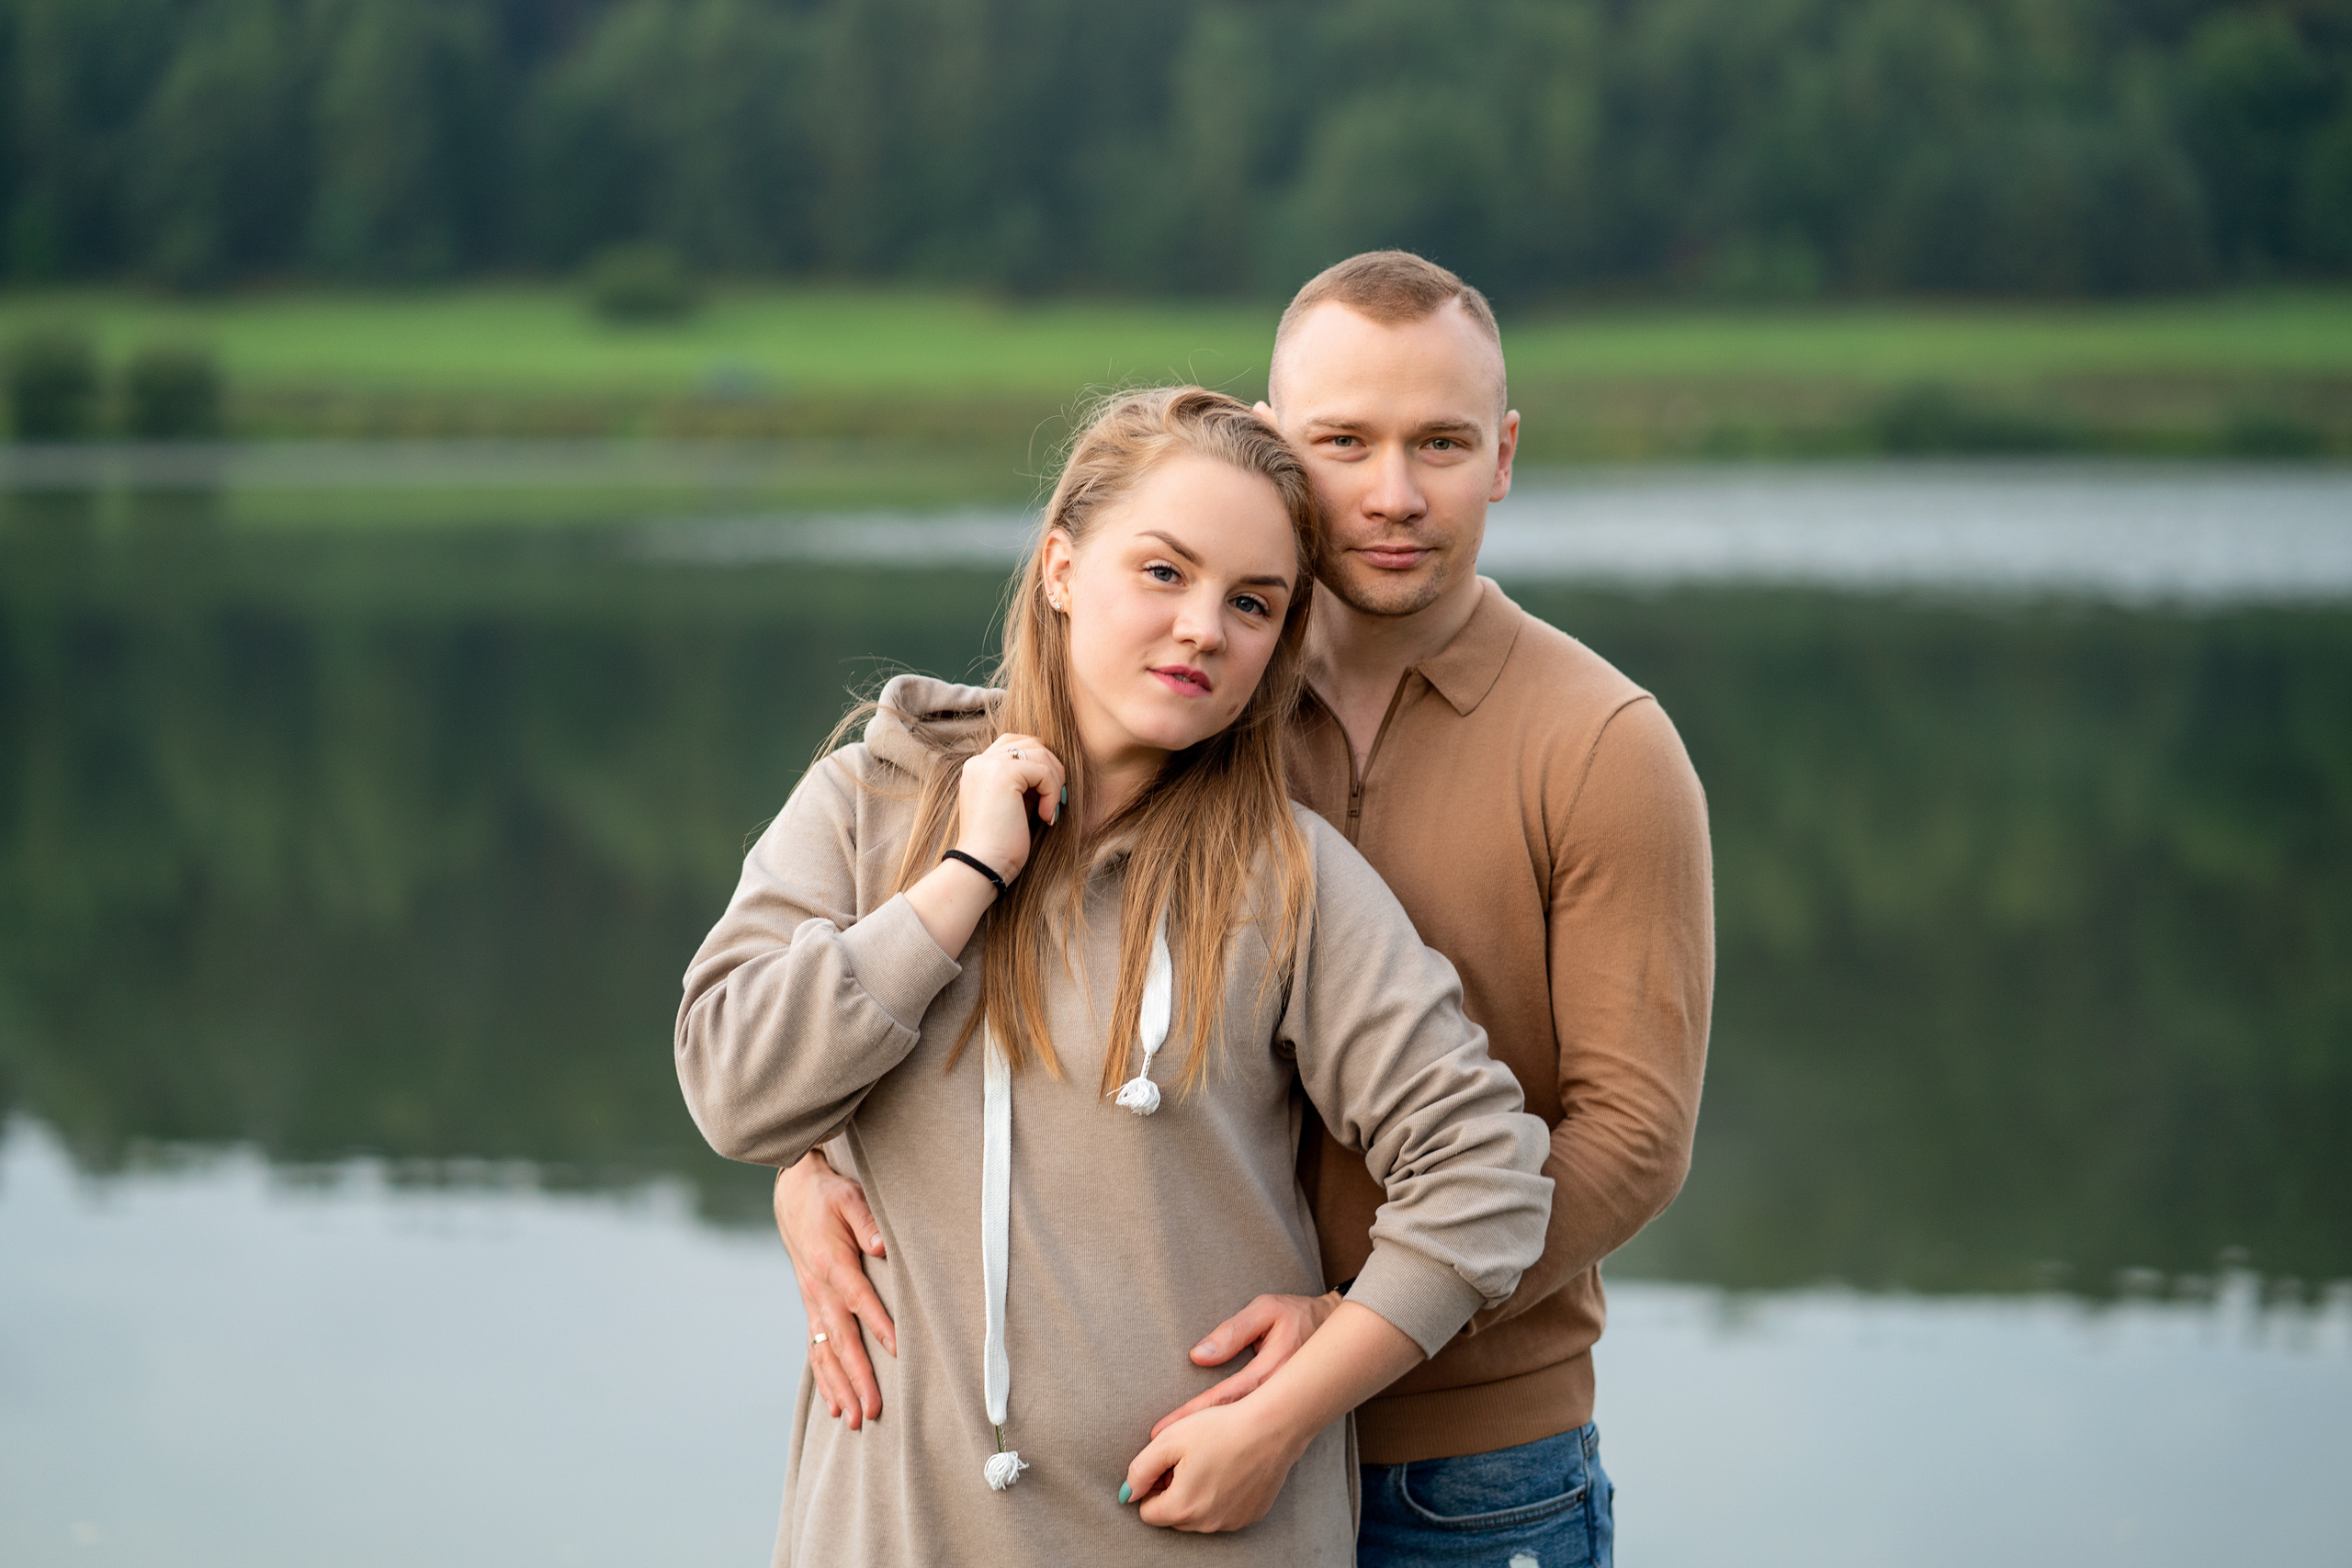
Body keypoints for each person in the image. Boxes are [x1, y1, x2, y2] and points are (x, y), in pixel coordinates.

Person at [777, 254, 1715, 1568]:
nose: (1395, 492)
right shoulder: (1191, 690)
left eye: (1442, 443)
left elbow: (1633, 1138)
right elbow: (947, 966)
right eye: (1347, 442)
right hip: (1179, 1443)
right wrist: (811, 1157)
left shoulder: (1606, 744)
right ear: (1277, 446)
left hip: (1468, 1463)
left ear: (1502, 455)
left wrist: (1340, 1333)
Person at [678, 386, 1555, 1566]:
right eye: (1163, 572)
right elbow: (735, 1088)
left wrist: (1296, 1407)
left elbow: (1484, 1170)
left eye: (1253, 603)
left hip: (1200, 1538)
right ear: (1058, 567)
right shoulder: (865, 807)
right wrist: (964, 874)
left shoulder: (1289, 881)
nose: (1204, 627)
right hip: (895, 1533)